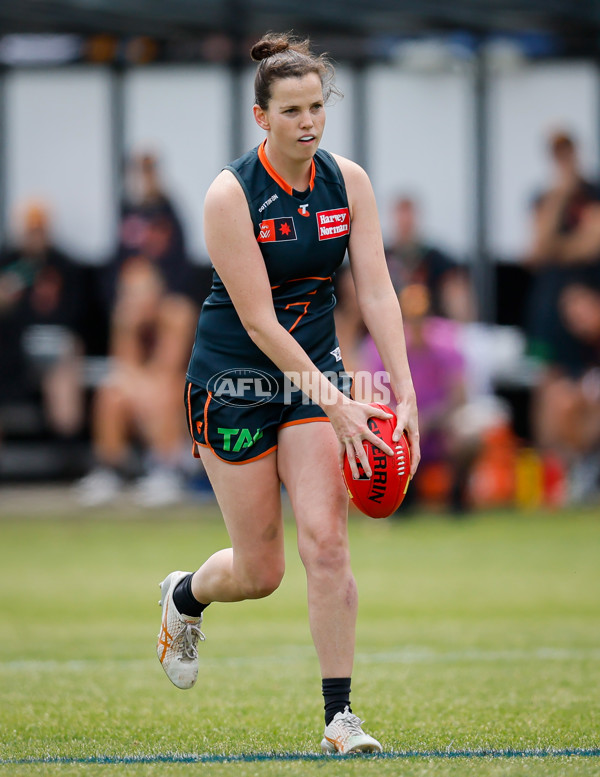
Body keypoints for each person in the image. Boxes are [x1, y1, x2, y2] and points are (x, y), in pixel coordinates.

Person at [155, 32, 420, 755]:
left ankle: (341, 721)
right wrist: (336, 401)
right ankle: (185, 596)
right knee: (260, 570)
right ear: (260, 116)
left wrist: (403, 394)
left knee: (328, 543)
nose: (309, 122)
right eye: (292, 110)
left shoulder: (349, 183)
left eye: (317, 107)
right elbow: (258, 321)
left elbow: (378, 292)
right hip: (235, 381)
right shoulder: (229, 194)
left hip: (316, 375)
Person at [74, 255, 198, 506]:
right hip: (144, 398)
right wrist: (128, 329)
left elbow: (168, 368)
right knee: (111, 394)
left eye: (141, 291)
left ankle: (168, 470)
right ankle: (110, 471)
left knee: (166, 389)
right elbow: (123, 370)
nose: (134, 298)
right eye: (128, 292)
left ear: (158, 290)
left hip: (186, 400)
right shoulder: (125, 319)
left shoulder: (177, 312)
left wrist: (139, 387)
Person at [0, 201, 86, 473]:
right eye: (29, 231)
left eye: (39, 230)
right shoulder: (7, 263)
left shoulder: (65, 265)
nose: (34, 236)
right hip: (11, 350)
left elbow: (78, 317)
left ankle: (68, 460)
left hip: (54, 346)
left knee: (64, 368)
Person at [384, 195, 474, 321]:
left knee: (456, 287)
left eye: (408, 215)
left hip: (430, 325)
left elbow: (455, 282)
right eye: (401, 215)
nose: (405, 221)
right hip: (392, 321)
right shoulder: (384, 256)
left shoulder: (433, 257)